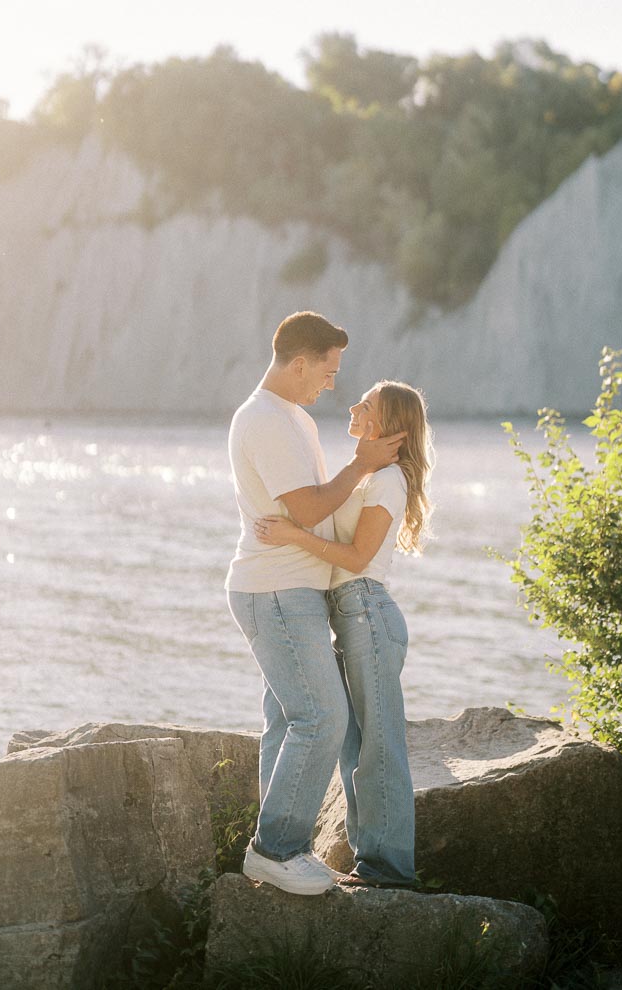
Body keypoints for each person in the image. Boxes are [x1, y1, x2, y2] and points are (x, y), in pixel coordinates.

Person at [226, 312, 405, 896]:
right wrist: (363, 464)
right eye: (327, 372)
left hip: (292, 587)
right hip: (275, 589)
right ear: (299, 362)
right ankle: (274, 849)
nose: (331, 384)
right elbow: (305, 510)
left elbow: (318, 512)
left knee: (287, 718)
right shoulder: (264, 420)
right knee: (322, 716)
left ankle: (284, 848)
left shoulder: (294, 419)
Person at [256, 379, 433, 890]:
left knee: (379, 743)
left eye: (367, 405)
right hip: (345, 614)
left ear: (388, 427)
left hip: (367, 614)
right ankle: (370, 861)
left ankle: (389, 869)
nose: (354, 406)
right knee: (352, 745)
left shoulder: (390, 480)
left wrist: (293, 536)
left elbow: (356, 560)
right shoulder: (365, 477)